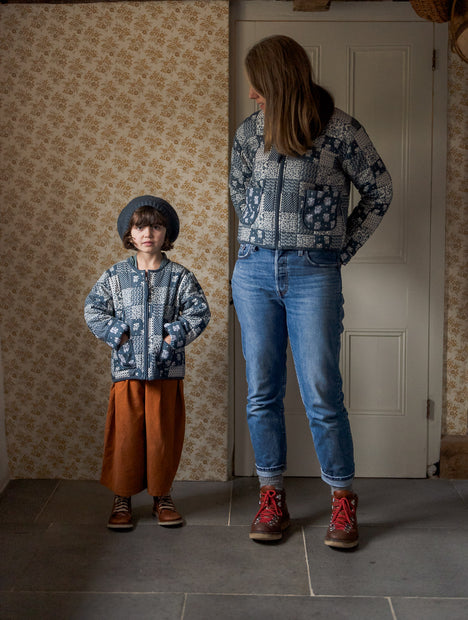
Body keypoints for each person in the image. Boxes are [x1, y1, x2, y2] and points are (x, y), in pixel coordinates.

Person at [230, 35, 393, 549]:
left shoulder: (339, 129)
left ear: (276, 79)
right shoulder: (248, 134)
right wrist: (259, 238)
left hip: (311, 275)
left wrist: (335, 250)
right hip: (253, 272)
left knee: (321, 392)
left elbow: (379, 190)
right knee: (262, 391)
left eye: (257, 82)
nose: (251, 92)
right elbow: (238, 191)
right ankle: (270, 496)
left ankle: (342, 501)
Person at [84, 195, 210, 530]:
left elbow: (199, 312)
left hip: (166, 373)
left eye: (155, 226)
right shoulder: (115, 275)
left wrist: (171, 339)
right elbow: (93, 309)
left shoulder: (180, 277)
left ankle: (162, 496)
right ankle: (122, 498)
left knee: (161, 437)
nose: (147, 233)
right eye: (140, 226)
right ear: (130, 233)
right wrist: (121, 338)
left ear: (166, 233)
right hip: (126, 371)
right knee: (125, 436)